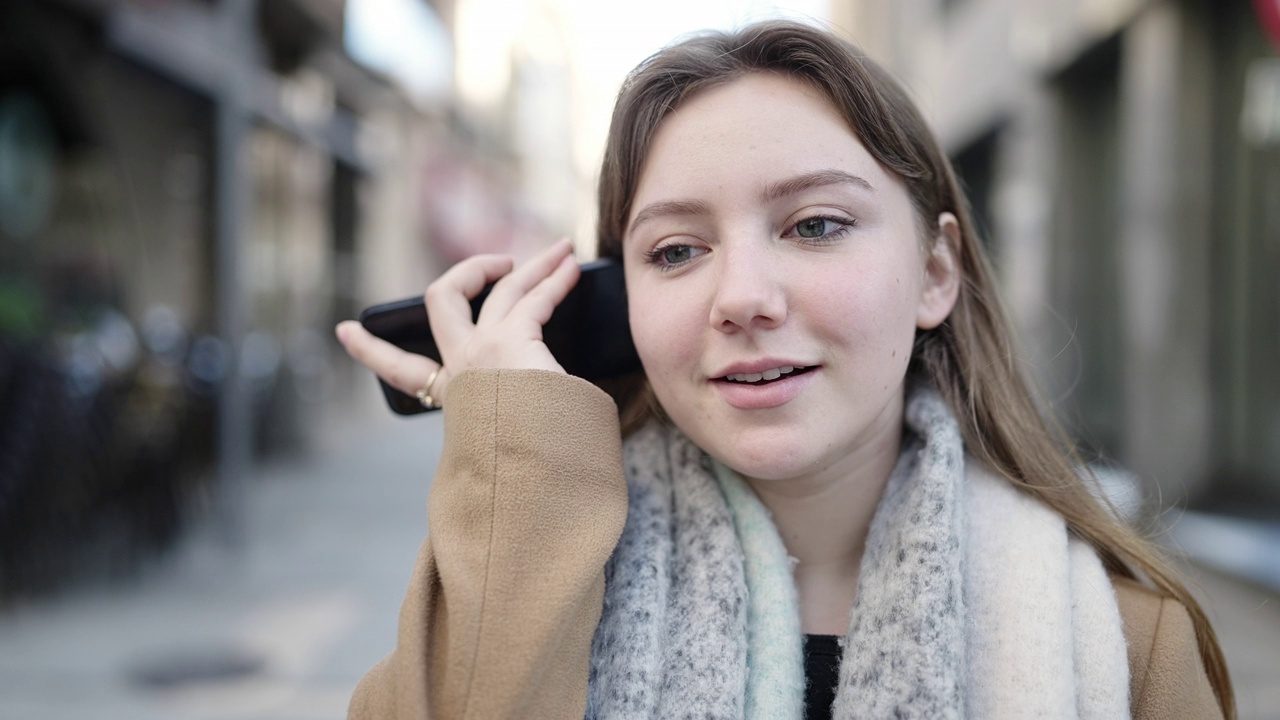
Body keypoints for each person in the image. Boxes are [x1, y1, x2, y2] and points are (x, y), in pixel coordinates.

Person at [335, 20, 1234, 720]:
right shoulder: (531, 565)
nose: (742, 298)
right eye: (678, 250)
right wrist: (520, 458)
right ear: (626, 306)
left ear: (935, 271)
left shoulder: (1129, 651)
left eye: (814, 226)